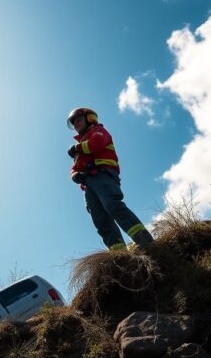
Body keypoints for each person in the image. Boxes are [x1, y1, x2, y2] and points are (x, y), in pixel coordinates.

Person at [66, 107, 155, 251]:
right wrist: (74, 175)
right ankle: (119, 254)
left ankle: (145, 242)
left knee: (113, 206)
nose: (76, 124)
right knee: (100, 219)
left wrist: (77, 147)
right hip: (89, 184)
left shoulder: (98, 131)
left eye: (78, 120)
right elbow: (75, 167)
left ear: (90, 119)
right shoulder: (80, 145)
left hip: (103, 176)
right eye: (73, 123)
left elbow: (97, 143)